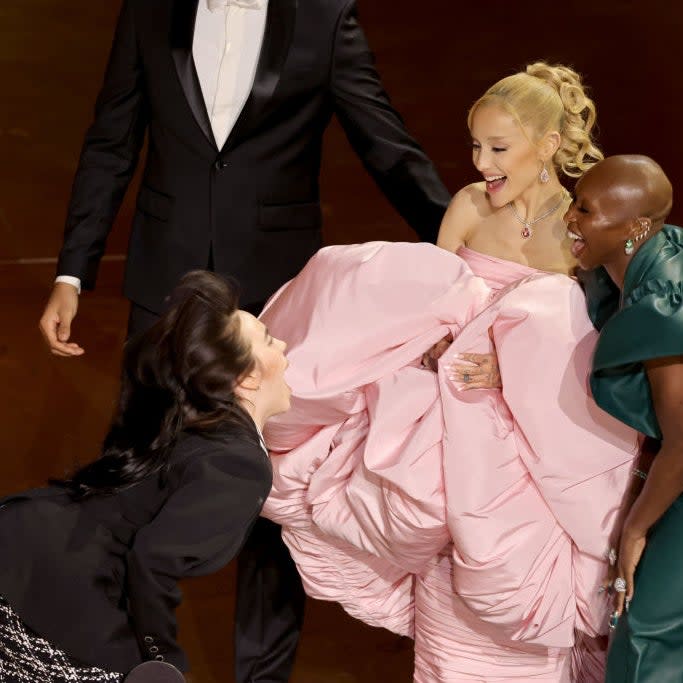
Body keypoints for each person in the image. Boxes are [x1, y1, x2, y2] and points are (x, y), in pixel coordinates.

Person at [37, 1, 450, 679]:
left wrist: (462, 253)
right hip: (164, 284)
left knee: (271, 496)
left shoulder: (323, 15)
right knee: (133, 470)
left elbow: (385, 142)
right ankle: (120, 662)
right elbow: (112, 138)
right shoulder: (148, 10)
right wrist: (72, 272)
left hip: (274, 290)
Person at [256, 64, 641, 681]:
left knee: (507, 577)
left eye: (498, 148)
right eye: (475, 146)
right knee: (440, 556)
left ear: (546, 146)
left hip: (522, 432)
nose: (481, 162)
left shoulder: (576, 229)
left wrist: (515, 366)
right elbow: (427, 299)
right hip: (442, 416)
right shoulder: (466, 205)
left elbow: (584, 340)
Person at [0, 271, 290, 682]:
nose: (284, 345)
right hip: (50, 578)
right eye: (268, 339)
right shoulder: (240, 466)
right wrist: (164, 661)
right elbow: (152, 562)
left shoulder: (201, 420)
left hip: (30, 543)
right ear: (247, 378)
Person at [563, 155, 682, 682]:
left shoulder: (663, 301)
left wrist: (635, 529)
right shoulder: (643, 260)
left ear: (635, 226)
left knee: (648, 632)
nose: (569, 217)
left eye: (585, 210)